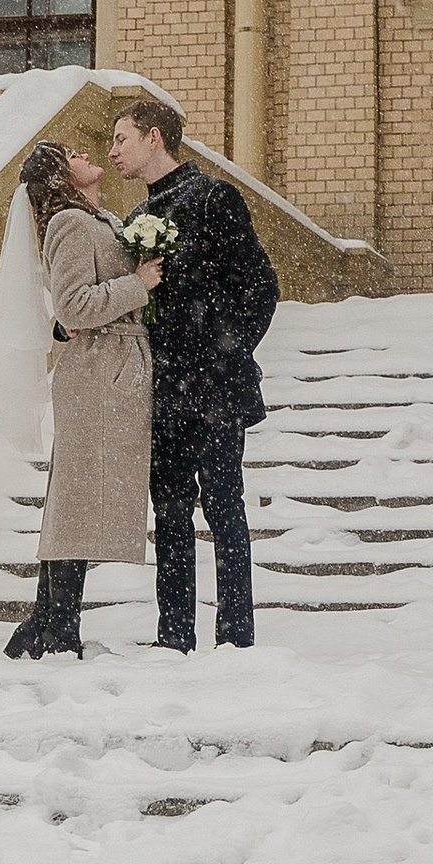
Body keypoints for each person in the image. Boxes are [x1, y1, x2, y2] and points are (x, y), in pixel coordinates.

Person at [111, 91, 278, 654]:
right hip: (163, 394)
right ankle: (174, 637)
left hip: (216, 388)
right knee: (171, 513)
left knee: (226, 509)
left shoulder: (214, 198)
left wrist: (224, 355)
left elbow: (261, 287)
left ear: (153, 137)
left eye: (121, 139)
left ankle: (235, 638)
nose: (112, 152)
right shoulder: (135, 219)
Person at [3, 136, 161, 661]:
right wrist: (139, 284)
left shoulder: (96, 218)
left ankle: (46, 619)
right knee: (75, 503)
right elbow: (74, 304)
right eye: (71, 153)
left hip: (108, 370)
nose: (87, 153)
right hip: (97, 375)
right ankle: (57, 625)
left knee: (74, 501)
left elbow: (69, 314)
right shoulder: (70, 225)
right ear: (60, 175)